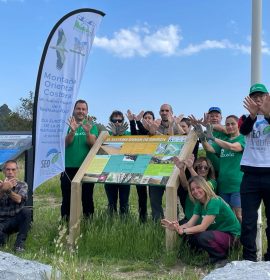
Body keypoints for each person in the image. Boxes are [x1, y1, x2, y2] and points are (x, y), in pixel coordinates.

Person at [161, 176, 240, 266]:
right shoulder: (199, 204)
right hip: (218, 234)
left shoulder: (214, 201)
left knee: (203, 236)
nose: (195, 191)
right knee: (189, 233)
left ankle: (220, 258)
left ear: (204, 187)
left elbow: (202, 227)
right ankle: (192, 255)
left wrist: (183, 231)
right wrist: (176, 227)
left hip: (232, 236)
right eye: (192, 189)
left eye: (198, 187)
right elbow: (189, 224)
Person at [239, 83, 270, 262]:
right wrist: (253, 115)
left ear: (267, 97)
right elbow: (243, 130)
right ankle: (248, 258)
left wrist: (267, 113)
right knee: (249, 221)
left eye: (261, 96)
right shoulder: (245, 118)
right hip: (250, 176)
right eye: (254, 96)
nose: (258, 99)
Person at [197, 115, 245, 222]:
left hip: (237, 184)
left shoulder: (242, 138)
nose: (230, 126)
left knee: (239, 214)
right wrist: (202, 137)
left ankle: (245, 238)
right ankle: (233, 237)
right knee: (227, 214)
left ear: (238, 125)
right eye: (227, 124)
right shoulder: (225, 140)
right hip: (223, 185)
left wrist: (213, 138)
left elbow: (233, 147)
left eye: (233, 124)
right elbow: (209, 148)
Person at [61, 100, 98, 221]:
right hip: (68, 167)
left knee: (87, 197)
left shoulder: (91, 125)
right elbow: (64, 144)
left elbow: (93, 144)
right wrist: (72, 131)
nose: (81, 111)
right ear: (74, 110)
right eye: (78, 108)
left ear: (87, 111)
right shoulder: (66, 124)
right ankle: (66, 223)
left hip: (86, 167)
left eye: (83, 109)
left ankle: (89, 223)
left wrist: (87, 132)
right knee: (67, 197)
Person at [147, 104, 184, 221]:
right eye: (162, 110)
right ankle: (156, 224)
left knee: (172, 199)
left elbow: (183, 136)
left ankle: (174, 223)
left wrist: (174, 124)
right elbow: (150, 134)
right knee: (154, 200)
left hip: (172, 168)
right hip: (155, 167)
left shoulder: (177, 125)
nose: (164, 112)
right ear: (159, 112)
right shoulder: (156, 124)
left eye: (167, 110)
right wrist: (153, 128)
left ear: (171, 112)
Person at [126, 110, 156, 222]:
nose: (147, 119)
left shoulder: (156, 132)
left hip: (153, 168)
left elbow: (146, 134)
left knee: (154, 197)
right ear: (142, 120)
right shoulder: (138, 131)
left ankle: (156, 219)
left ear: (153, 120)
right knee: (141, 196)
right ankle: (142, 219)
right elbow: (135, 135)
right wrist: (132, 122)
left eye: (150, 118)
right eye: (146, 118)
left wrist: (137, 121)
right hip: (139, 168)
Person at [0, 160, 32, 252]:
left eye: (13, 169)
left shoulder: (22, 185)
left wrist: (8, 190)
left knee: (26, 211)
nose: (10, 172)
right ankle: (4, 237)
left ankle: (19, 245)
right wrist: (2, 189)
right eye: (8, 169)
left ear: (17, 171)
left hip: (14, 220)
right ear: (4, 171)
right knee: (1, 243)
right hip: (1, 221)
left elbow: (19, 199)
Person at [174, 155, 216, 221]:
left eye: (206, 168)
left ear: (209, 170)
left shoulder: (212, 182)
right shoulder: (192, 181)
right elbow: (185, 186)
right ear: (196, 167)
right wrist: (181, 169)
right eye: (200, 167)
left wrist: (190, 168)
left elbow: (204, 186)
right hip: (189, 219)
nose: (203, 169)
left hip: (203, 221)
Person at [105, 110, 130, 216]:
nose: (117, 123)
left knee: (124, 202)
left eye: (120, 120)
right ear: (111, 121)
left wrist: (121, 136)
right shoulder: (106, 135)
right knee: (111, 202)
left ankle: (124, 222)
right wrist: (113, 137)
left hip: (125, 172)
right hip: (109, 172)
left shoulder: (129, 134)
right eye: (114, 120)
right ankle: (111, 221)